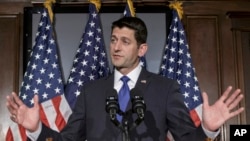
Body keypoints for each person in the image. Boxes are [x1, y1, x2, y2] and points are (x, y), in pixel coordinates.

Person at [6, 16, 244, 141]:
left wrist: (207, 129)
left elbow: (186, 139)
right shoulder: (91, 91)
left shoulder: (165, 88)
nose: (116, 47)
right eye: (113, 40)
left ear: (142, 49)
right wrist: (37, 128)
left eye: (125, 41)